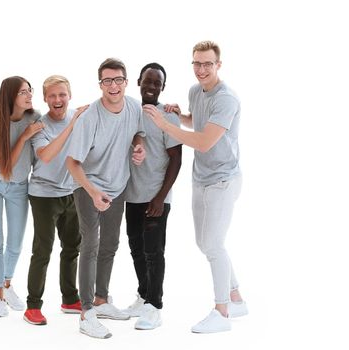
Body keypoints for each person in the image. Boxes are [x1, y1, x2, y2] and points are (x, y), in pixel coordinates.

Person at [144, 41, 248, 333]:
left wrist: (166, 125)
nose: (202, 69)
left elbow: (204, 141)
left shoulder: (227, 99)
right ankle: (236, 297)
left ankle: (222, 311)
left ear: (218, 65)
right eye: (197, 63)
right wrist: (181, 116)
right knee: (205, 243)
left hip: (223, 180)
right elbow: (199, 125)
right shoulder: (194, 91)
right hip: (200, 177)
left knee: (213, 244)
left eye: (208, 64)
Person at [66, 58, 146, 339]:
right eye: (107, 81)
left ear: (126, 81)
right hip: (87, 184)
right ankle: (87, 313)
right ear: (100, 84)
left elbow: (138, 133)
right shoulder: (90, 117)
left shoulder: (134, 107)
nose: (113, 86)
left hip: (118, 184)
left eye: (118, 80)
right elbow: (72, 163)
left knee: (111, 243)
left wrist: (138, 146)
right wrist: (93, 192)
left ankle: (102, 299)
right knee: (91, 243)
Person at [23, 75, 88, 325]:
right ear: (45, 98)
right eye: (52, 95)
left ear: (69, 96)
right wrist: (72, 126)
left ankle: (70, 299)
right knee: (42, 250)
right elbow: (47, 155)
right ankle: (33, 306)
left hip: (71, 192)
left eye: (62, 94)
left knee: (72, 247)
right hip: (43, 195)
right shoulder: (40, 125)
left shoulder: (79, 116)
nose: (57, 100)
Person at [122, 63, 182, 330]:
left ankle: (154, 306)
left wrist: (160, 197)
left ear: (163, 87)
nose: (151, 87)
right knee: (135, 247)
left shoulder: (168, 117)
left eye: (157, 83)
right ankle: (144, 295)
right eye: (148, 81)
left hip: (156, 196)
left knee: (153, 251)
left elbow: (176, 160)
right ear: (138, 82)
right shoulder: (130, 110)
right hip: (132, 194)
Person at [0, 76, 43, 321]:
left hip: (18, 187)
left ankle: (6, 286)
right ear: (10, 97)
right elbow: (6, 166)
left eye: (30, 90)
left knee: (15, 243)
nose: (29, 95)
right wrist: (25, 135)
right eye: (23, 92)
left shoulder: (35, 117)